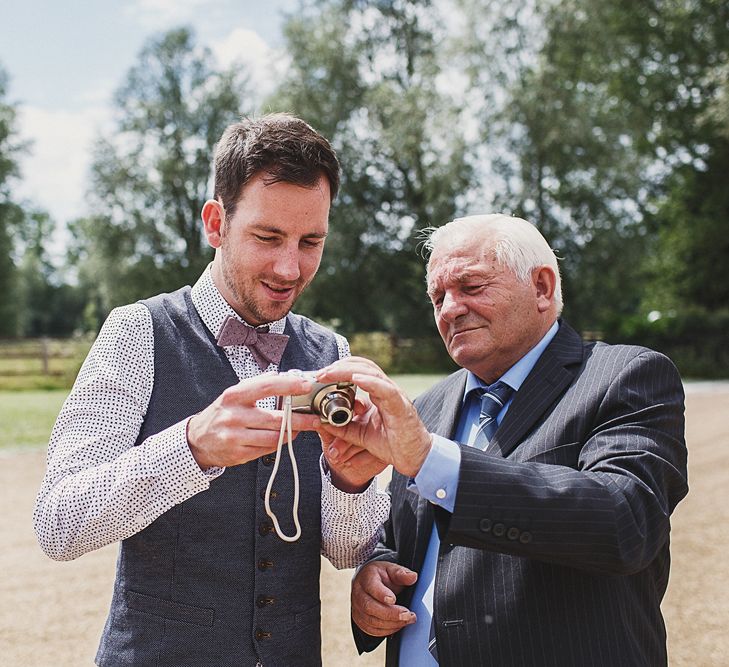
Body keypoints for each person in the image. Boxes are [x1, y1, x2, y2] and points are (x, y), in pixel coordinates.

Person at [33, 113, 389, 667]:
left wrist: (350, 478)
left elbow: (347, 550)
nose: (289, 267)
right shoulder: (137, 332)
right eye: (267, 237)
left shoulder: (332, 354)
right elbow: (59, 523)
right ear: (216, 223)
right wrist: (192, 448)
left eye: (310, 241)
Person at [315, 213, 688, 666]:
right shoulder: (428, 406)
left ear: (542, 288)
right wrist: (374, 576)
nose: (450, 308)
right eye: (438, 297)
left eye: (471, 287)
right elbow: (406, 537)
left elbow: (626, 523)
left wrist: (433, 459)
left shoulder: (626, 377)